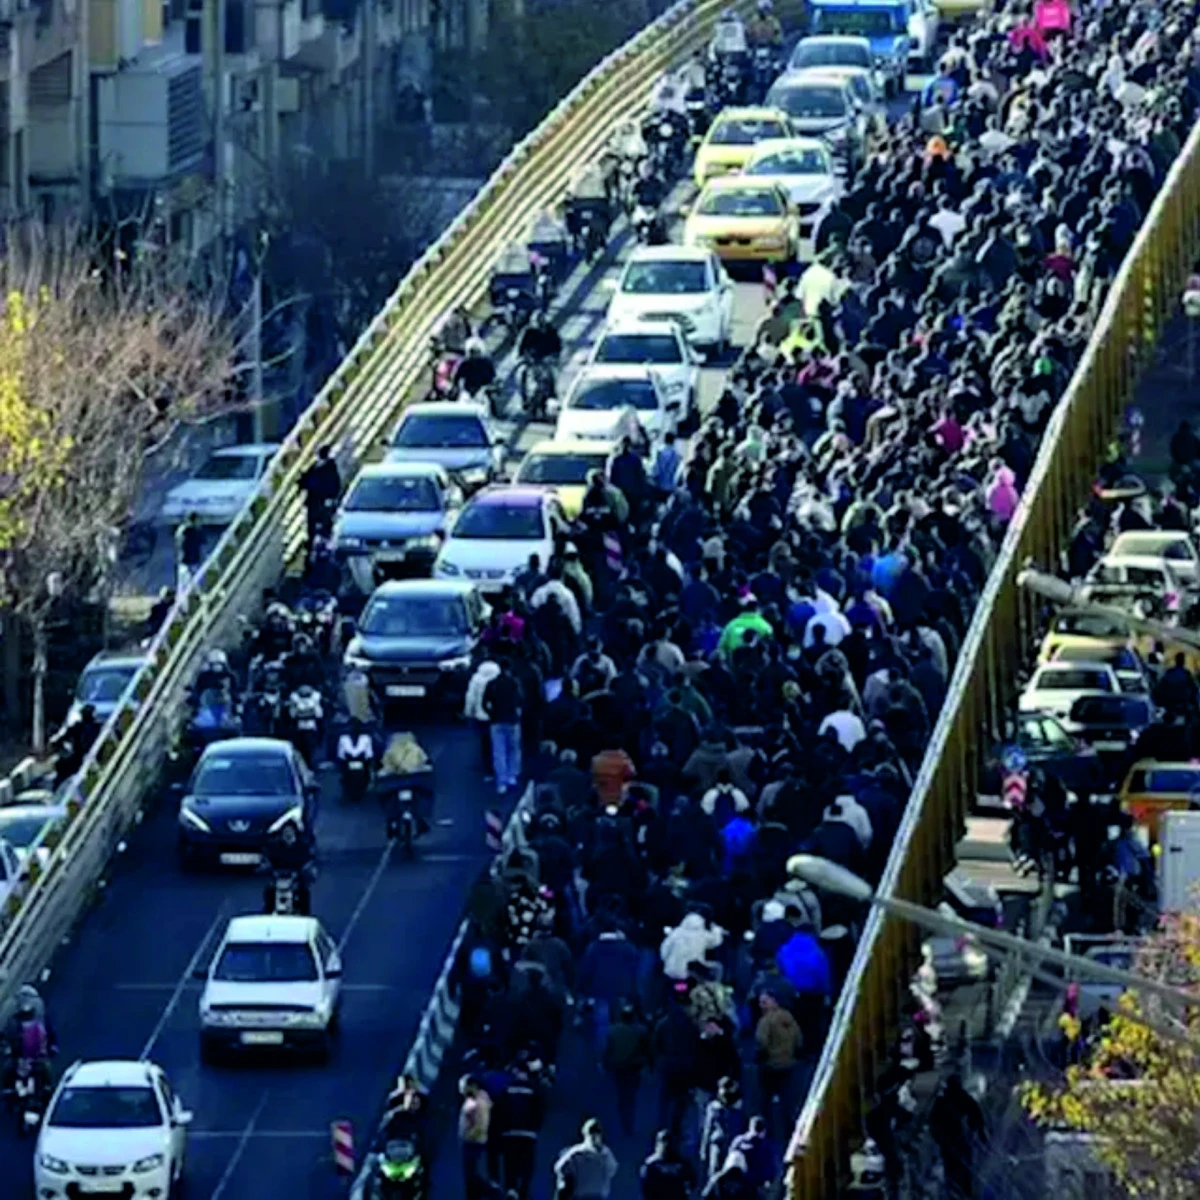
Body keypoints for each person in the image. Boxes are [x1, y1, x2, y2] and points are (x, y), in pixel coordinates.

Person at [928, 1074, 984, 1198]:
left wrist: (940, 1139)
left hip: (952, 1142)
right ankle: (963, 1192)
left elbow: (974, 1112)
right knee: (961, 1169)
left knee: (955, 1170)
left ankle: (958, 1192)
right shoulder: (958, 1097)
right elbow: (975, 1112)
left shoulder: (943, 1101)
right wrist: (977, 1129)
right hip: (956, 1140)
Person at [483, 656, 524, 794]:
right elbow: (521, 700)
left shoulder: (492, 684)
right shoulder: (515, 683)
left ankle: (501, 781)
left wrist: (491, 714)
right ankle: (512, 776)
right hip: (512, 720)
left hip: (496, 721)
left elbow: (485, 703)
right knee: (513, 749)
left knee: (498, 752)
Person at [554, 1118, 618, 1200]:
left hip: (595, 1196)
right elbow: (561, 1168)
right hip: (583, 1196)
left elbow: (612, 1169)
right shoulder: (577, 1153)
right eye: (592, 1133)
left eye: (597, 1132)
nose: (594, 1136)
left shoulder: (606, 1154)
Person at [299, 445, 341, 555]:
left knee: (322, 526)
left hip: (321, 502)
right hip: (315, 501)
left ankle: (322, 548)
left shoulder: (326, 468)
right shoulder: (318, 467)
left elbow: (334, 486)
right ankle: (312, 548)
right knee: (313, 527)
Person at [458, 1075, 494, 1200]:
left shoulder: (480, 1102)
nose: (462, 1090)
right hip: (470, 1142)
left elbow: (481, 1124)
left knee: (472, 1176)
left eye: (464, 1087)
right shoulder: (472, 1100)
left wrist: (469, 1136)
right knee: (470, 1176)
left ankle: (495, 1194)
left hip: (474, 1143)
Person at [640, 1129, 698, 1200]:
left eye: (669, 1141)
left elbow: (692, 1180)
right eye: (664, 1141)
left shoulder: (682, 1163)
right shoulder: (651, 1164)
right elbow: (645, 1186)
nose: (666, 1144)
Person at [175, 511, 204, 593]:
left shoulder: (182, 531)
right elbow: (202, 545)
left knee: (184, 586)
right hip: (190, 562)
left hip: (188, 561)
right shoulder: (193, 531)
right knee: (193, 584)